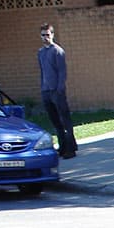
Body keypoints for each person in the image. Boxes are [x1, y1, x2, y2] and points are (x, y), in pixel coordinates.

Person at [37, 23, 77, 159]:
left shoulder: (58, 51)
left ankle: (71, 149)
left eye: (48, 35)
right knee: (55, 122)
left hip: (57, 91)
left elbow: (62, 72)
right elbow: (42, 72)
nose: (45, 37)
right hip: (46, 91)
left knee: (65, 120)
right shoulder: (41, 52)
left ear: (52, 35)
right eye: (43, 35)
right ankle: (62, 147)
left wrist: (59, 89)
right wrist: (43, 88)